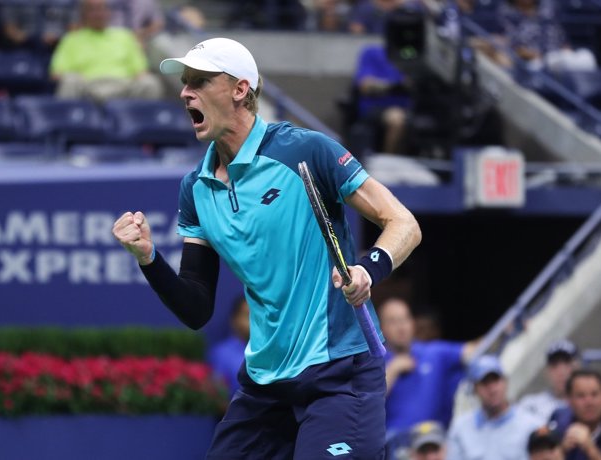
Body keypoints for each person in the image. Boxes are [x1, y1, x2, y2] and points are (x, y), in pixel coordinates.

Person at [112, 37, 422, 458]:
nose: (186, 92)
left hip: (339, 374)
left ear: (240, 89)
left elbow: (402, 222)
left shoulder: (305, 151)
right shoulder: (196, 189)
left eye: (200, 81)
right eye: (185, 83)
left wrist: (369, 268)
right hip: (266, 383)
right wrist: (148, 258)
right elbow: (196, 308)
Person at [378, 296, 479, 433]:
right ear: (381, 328)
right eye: (393, 321)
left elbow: (474, 350)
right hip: (395, 444)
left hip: (435, 440)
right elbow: (365, 405)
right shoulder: (374, 361)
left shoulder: (432, 352)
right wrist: (392, 370)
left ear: (413, 323)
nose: (401, 327)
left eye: (405, 319)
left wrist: (506, 331)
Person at [49, 0, 163, 102]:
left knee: (150, 83)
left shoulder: (125, 36)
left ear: (109, 12)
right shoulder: (71, 39)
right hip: (88, 87)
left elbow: (141, 72)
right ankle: (71, 122)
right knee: (70, 81)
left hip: (123, 86)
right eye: (92, 10)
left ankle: (143, 123)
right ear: (83, 14)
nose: (98, 14)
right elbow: (56, 74)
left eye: (101, 9)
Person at [446, 355, 541, 460]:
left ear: (505, 382)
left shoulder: (531, 426)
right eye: (485, 383)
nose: (492, 389)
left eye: (495, 380)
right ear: (475, 390)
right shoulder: (461, 429)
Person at [351, 43, 411, 154]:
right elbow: (364, 85)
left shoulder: (411, 54)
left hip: (409, 107)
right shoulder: (373, 53)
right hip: (376, 106)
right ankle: (388, 160)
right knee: (397, 119)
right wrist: (393, 86)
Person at [549, 369, 601, 460]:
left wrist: (590, 449)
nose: (589, 402)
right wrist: (561, 450)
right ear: (568, 400)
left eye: (594, 394)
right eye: (581, 396)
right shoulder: (558, 425)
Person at [518, 339, 581, 425]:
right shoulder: (530, 405)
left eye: (567, 363)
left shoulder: (597, 401)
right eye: (554, 365)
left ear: (578, 367)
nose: (561, 372)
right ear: (547, 372)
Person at [207, 296, 250, 398]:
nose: (254, 322)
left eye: (258, 316)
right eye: (248, 315)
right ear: (234, 319)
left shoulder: (272, 352)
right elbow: (216, 395)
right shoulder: (221, 353)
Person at [0, 2, 73, 53]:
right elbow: (10, 29)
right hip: (25, 48)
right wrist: (32, 38)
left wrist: (59, 38)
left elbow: (75, 29)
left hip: (61, 47)